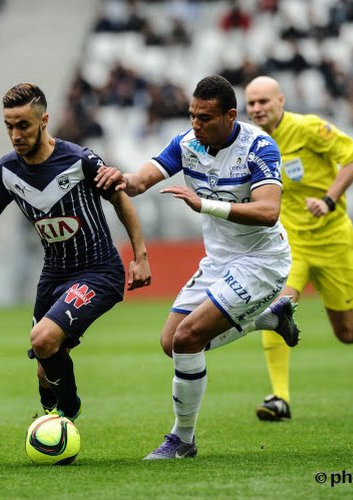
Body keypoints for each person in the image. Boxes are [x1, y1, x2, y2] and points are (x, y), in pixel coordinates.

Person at [94, 75, 300, 459]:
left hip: (262, 261)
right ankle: (270, 318)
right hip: (220, 262)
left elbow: (269, 212)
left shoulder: (260, 147)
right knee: (171, 343)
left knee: (188, 338)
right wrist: (118, 178)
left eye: (205, 117)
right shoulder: (188, 143)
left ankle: (182, 439)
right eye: (191, 115)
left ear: (230, 116)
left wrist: (205, 204)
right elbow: (141, 181)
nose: (195, 124)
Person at [0, 83, 151, 421]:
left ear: (44, 120)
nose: (15, 134)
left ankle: (69, 413)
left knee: (44, 339)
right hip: (53, 275)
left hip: (98, 270)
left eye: (23, 125)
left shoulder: (79, 160)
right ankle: (50, 419)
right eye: (9, 126)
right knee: (43, 369)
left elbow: (120, 198)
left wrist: (140, 256)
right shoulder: (7, 170)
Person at [244, 75, 353, 422]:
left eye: (264, 101)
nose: (257, 109)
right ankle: (280, 397)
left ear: (281, 101)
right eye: (251, 103)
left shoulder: (309, 128)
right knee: (277, 308)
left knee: (347, 331)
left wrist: (329, 199)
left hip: (332, 239)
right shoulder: (250, 141)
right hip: (289, 243)